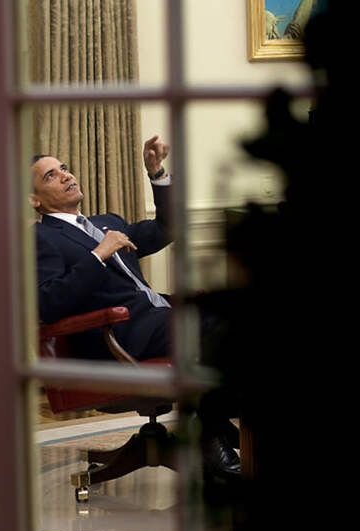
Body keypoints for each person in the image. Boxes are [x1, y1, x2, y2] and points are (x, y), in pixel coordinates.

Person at [30, 135, 240, 479]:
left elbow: (167, 228)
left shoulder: (105, 222)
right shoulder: (41, 238)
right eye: (51, 175)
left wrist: (156, 174)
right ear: (34, 199)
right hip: (119, 336)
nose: (66, 175)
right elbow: (49, 304)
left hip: (157, 320)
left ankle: (215, 424)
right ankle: (211, 432)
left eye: (64, 168)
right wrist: (99, 255)